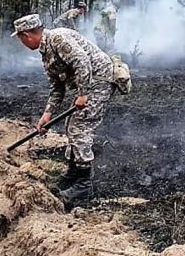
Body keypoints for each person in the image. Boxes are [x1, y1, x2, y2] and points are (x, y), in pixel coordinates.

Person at [12, 13, 114, 204]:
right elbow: (57, 88)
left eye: (20, 39)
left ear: (26, 36)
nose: (22, 43)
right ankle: (73, 173)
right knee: (70, 124)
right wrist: (47, 115)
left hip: (100, 79)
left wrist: (83, 93)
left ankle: (84, 185)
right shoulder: (46, 53)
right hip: (89, 82)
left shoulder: (57, 38)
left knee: (79, 126)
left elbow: (82, 61)